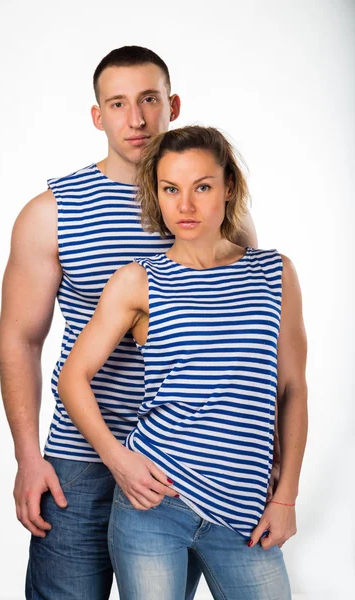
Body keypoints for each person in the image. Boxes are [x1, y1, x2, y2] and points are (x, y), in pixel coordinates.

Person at [0, 47, 258, 599]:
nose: (135, 119)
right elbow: (21, 338)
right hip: (81, 460)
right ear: (98, 115)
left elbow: (251, 336)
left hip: (186, 458)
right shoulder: (52, 212)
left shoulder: (213, 211)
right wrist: (27, 456)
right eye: (118, 104)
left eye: (149, 100)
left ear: (174, 105)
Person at [58, 125, 308, 600]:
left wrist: (286, 496)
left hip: (246, 513)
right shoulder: (138, 281)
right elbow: (74, 377)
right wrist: (118, 460)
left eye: (203, 187)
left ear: (229, 186)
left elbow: (293, 387)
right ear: (156, 193)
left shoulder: (276, 273)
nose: (185, 206)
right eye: (171, 189)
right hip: (153, 507)